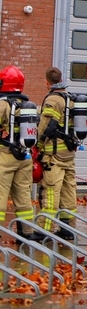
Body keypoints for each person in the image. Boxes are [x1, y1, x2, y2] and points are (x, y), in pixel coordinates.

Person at [0, 66, 40, 242]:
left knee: (0, 193)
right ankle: (26, 232)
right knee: (23, 193)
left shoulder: (2, 104)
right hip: (25, 156)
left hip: (6, 155)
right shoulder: (27, 105)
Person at [38, 67, 79, 238]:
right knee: (68, 191)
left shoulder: (54, 100)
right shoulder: (70, 98)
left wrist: (37, 144)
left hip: (54, 153)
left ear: (47, 82)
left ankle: (43, 230)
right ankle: (67, 229)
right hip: (68, 153)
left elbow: (47, 125)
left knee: (50, 191)